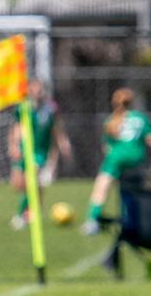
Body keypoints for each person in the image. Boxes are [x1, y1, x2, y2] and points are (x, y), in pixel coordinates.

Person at [81, 87, 151, 235]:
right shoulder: (140, 118)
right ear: (131, 102)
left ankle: (92, 221)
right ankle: (132, 221)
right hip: (136, 160)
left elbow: (106, 147)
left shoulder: (111, 120)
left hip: (116, 158)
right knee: (133, 192)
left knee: (101, 188)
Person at [8, 79, 72, 229]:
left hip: (40, 152)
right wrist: (14, 146)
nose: (37, 92)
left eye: (39, 89)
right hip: (25, 150)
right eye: (34, 89)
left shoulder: (50, 108)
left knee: (32, 181)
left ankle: (21, 216)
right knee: (19, 185)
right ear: (30, 90)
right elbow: (17, 127)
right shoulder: (23, 107)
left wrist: (63, 143)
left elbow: (57, 128)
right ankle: (33, 209)